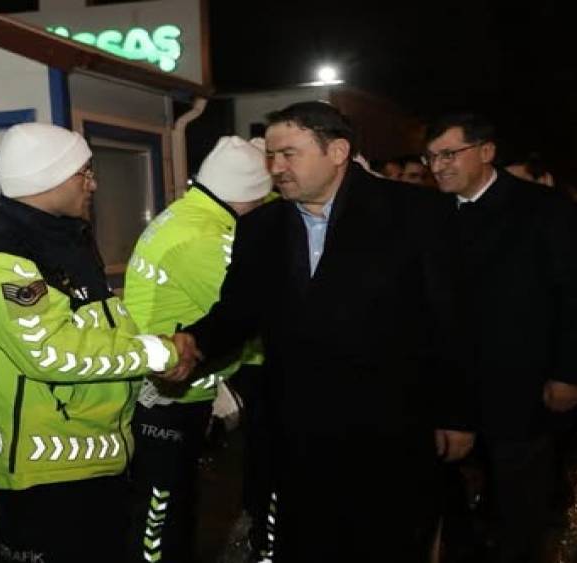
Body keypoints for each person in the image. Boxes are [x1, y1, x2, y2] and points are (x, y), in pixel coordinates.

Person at [175, 101, 475, 561]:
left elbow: (451, 319)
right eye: (271, 156)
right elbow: (237, 311)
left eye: (289, 154)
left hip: (390, 430)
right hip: (297, 433)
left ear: (337, 152)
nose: (276, 167)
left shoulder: (415, 213)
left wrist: (456, 413)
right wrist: (194, 343)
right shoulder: (260, 227)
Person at [0, 122, 194, 563]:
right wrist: (158, 352)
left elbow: (103, 329)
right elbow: (51, 351)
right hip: (46, 471)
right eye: (84, 173)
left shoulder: (67, 238)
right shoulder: (3, 253)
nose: (93, 184)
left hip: (99, 456)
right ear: (50, 177)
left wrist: (148, 370)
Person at [424, 113, 577, 563]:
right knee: (451, 489)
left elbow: (576, 295)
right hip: (453, 385)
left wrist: (569, 372)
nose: (438, 166)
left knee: (520, 496)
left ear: (486, 151)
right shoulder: (432, 213)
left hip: (521, 381)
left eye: (449, 154)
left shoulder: (542, 208)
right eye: (431, 157)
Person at [122, 135, 272, 563]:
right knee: (162, 514)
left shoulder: (185, 215)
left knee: (170, 505)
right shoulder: (207, 237)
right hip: (168, 393)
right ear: (247, 193)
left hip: (168, 386)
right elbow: (253, 310)